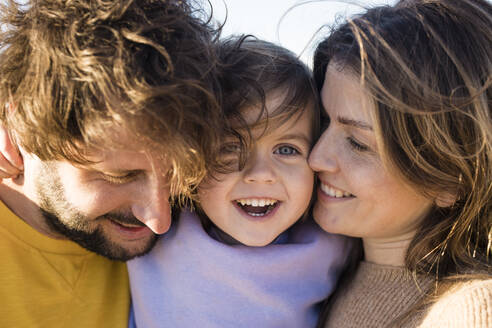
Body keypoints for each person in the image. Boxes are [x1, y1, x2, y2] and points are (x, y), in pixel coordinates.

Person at [0, 0, 224, 327]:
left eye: (178, 176)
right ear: (25, 122)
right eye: (120, 176)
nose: (160, 221)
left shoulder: (199, 220)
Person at [127, 36, 351, 328]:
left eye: (286, 149)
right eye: (231, 148)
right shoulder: (157, 228)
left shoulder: (332, 245)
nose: (260, 173)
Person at [308, 0, 492, 327]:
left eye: (357, 143)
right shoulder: (316, 273)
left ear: (449, 181)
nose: (316, 157)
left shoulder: (467, 312)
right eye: (322, 121)